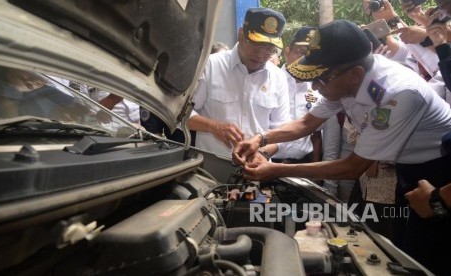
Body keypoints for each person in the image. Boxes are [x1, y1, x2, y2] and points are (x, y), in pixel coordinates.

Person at [233, 20, 451, 276]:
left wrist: (274, 170)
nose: (315, 87)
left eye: (321, 79)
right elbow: (307, 121)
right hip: (410, 172)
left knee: (433, 257)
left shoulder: (396, 94)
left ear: (355, 74)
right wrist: (260, 139)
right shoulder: (345, 79)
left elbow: (352, 167)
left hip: (441, 173)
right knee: (407, 251)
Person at [187, 7, 291, 157]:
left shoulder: (278, 77)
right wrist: (213, 126)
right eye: (256, 44)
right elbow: (182, 115)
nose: (261, 55)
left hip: (256, 172)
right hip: (210, 168)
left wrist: (261, 154)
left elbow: (282, 133)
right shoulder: (210, 65)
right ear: (241, 34)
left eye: (269, 48)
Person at [272, 26, 323, 165]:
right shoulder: (270, 82)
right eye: (301, 52)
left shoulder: (317, 88)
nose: (305, 59)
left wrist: (315, 173)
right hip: (270, 160)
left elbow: (317, 135)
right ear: (287, 51)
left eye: (311, 55)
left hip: (304, 164)